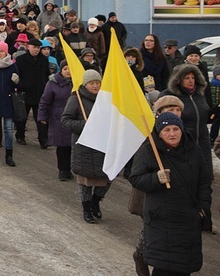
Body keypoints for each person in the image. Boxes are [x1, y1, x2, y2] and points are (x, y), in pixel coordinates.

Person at [129, 111, 212, 276]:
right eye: (167, 130)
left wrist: (203, 207)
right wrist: (155, 178)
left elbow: (204, 180)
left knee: (183, 266)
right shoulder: (149, 151)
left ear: (182, 130)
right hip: (162, 219)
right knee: (165, 266)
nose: (172, 133)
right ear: (159, 133)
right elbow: (136, 178)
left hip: (188, 219)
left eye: (176, 129)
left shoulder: (193, 150)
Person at [61, 69, 111, 223]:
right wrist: (84, 124)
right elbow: (65, 120)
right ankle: (86, 208)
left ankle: (96, 202)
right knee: (85, 180)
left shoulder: (106, 99)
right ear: (85, 84)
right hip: (84, 146)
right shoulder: (76, 99)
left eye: (97, 83)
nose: (95, 86)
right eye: (92, 83)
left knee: (107, 177)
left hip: (103, 144)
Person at [162, 63, 213, 177]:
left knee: (206, 177)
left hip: (203, 143)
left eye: (193, 77)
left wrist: (215, 113)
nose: (191, 81)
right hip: (183, 144)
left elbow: (204, 117)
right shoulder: (169, 96)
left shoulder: (199, 94)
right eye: (187, 78)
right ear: (178, 80)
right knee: (187, 179)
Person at [37, 60, 74, 180]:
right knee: (62, 146)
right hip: (58, 118)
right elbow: (45, 101)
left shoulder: (76, 83)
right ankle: (62, 170)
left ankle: (69, 169)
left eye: (70, 69)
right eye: (65, 69)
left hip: (73, 118)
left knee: (71, 146)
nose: (68, 71)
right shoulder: (52, 83)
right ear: (61, 70)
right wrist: (42, 116)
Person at [15, 38, 50, 147]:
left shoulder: (44, 60)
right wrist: (19, 86)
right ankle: (20, 135)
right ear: (28, 47)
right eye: (34, 47)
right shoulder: (21, 59)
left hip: (39, 93)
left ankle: (43, 139)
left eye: (38, 48)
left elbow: (46, 75)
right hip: (25, 92)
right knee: (22, 117)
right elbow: (17, 75)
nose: (36, 50)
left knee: (40, 118)